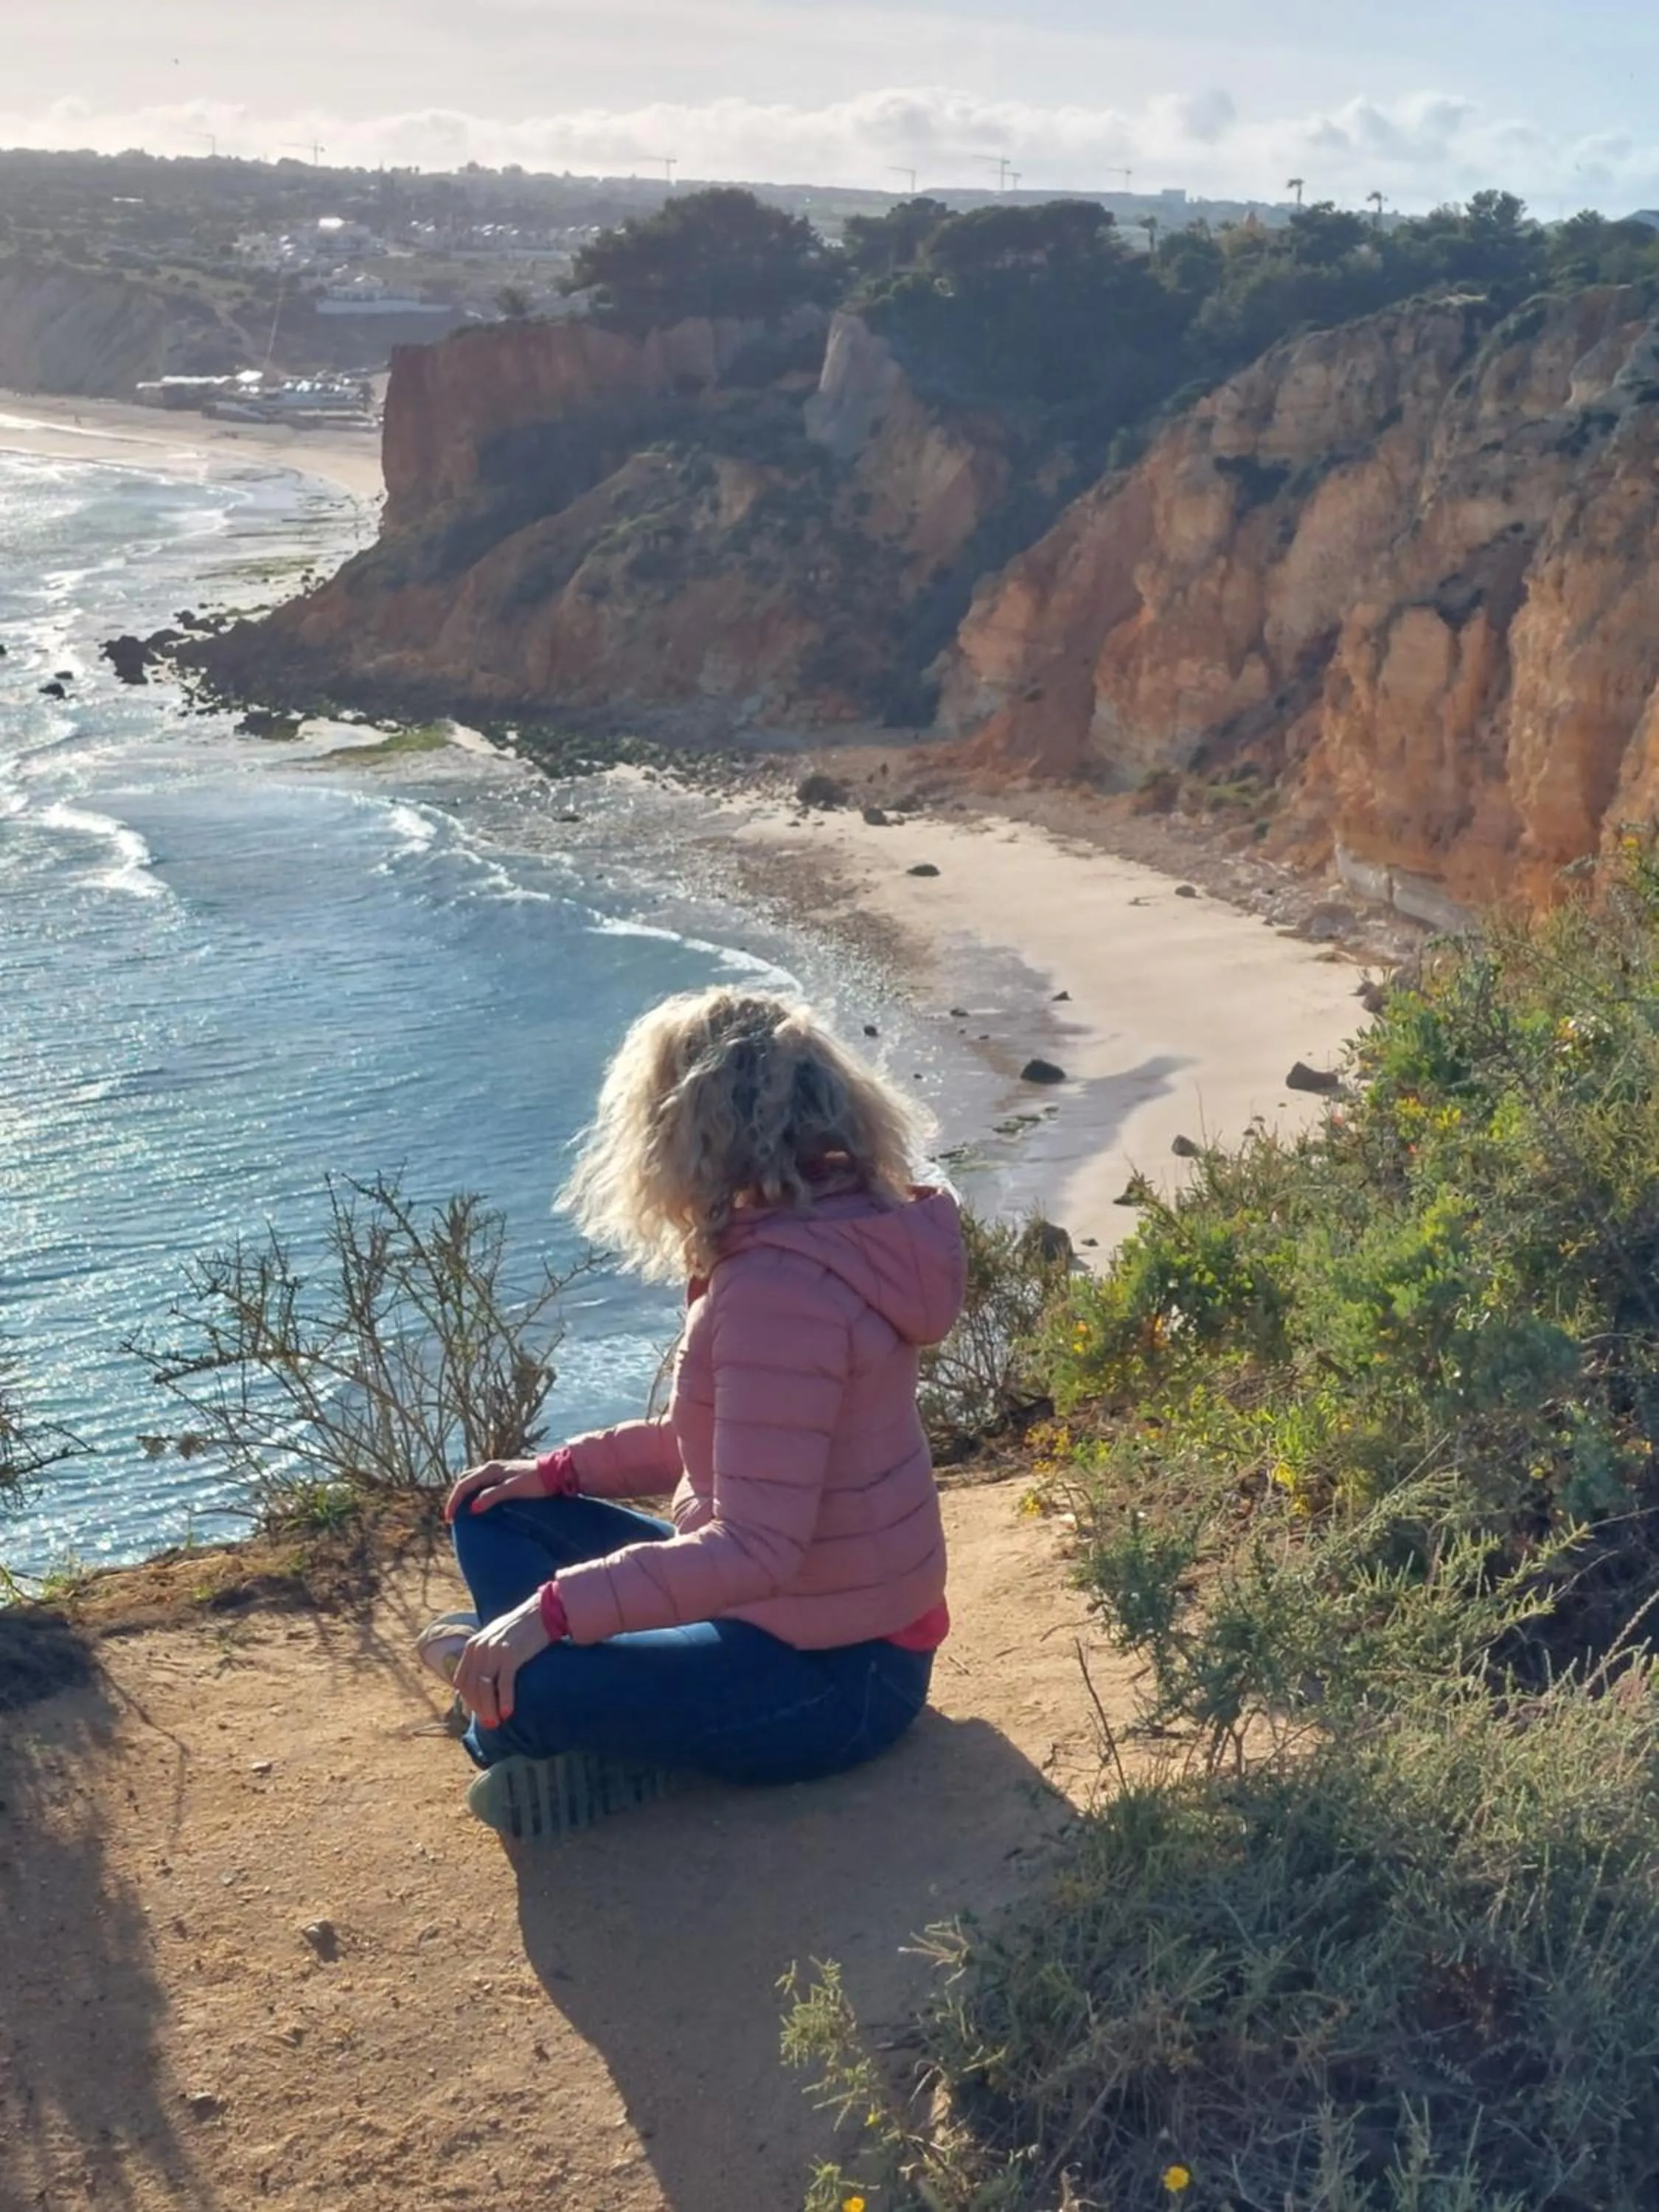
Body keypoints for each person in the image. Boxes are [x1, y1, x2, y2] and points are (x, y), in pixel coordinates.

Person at [417, 987, 966, 1839]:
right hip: (789, 1615)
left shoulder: (779, 1288)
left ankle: (535, 1719)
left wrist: (549, 1615)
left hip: (837, 1680)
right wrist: (559, 1472)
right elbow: (726, 1440)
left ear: (691, 1125)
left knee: (534, 1683)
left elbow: (755, 1548)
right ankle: (568, 1690)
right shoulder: (834, 1228)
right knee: (494, 1515)